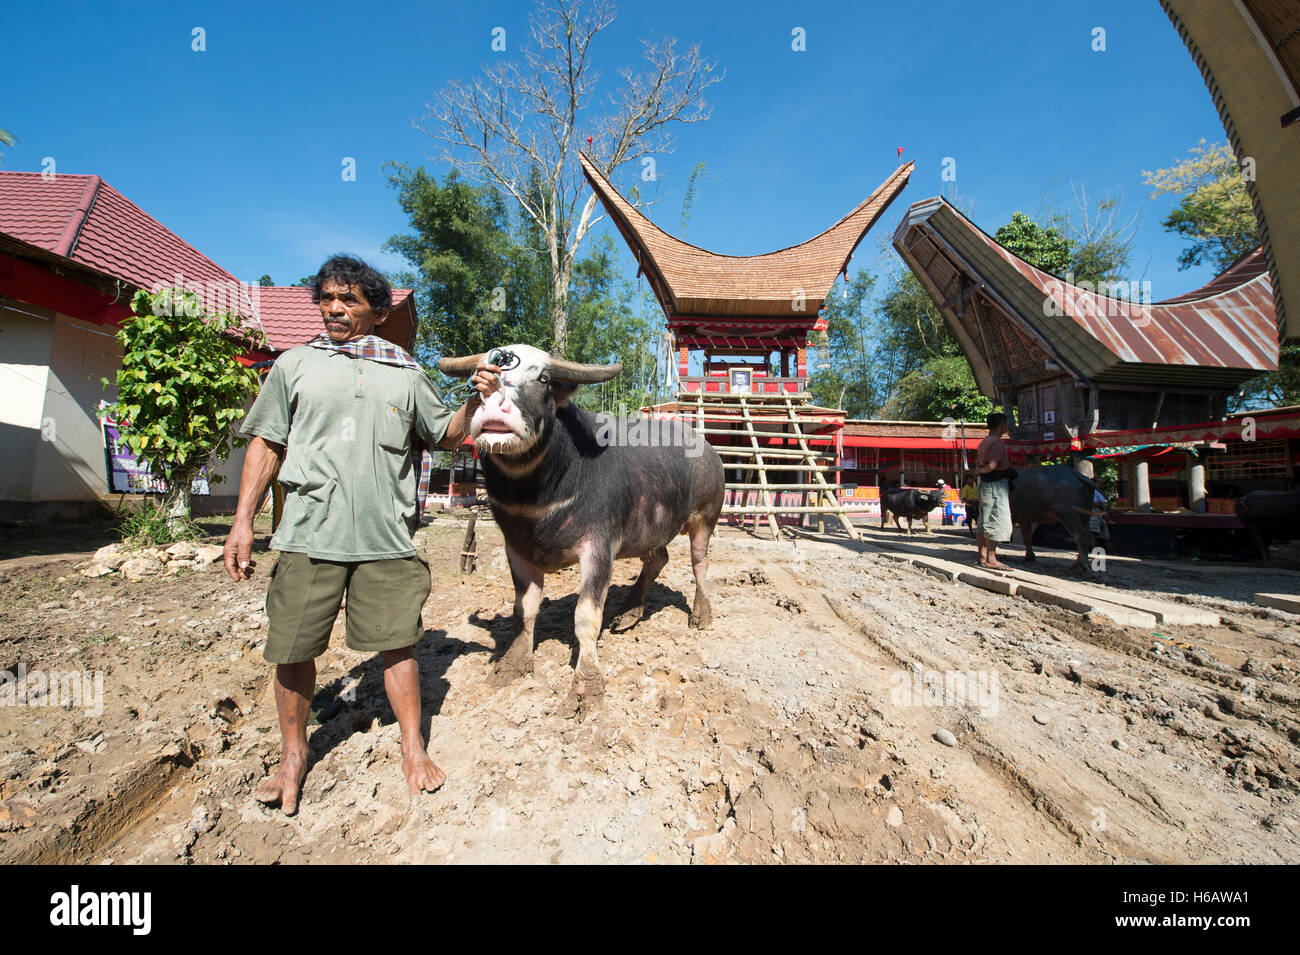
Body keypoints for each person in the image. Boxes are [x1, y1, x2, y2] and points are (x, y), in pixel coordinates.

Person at [222, 255, 501, 815]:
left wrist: (475, 398)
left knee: (397, 643)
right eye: (326, 298)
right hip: (307, 533)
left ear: (376, 311)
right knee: (293, 648)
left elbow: (444, 434)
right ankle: (292, 757)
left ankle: (413, 747)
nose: (334, 308)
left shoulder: (405, 371)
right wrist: (242, 520)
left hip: (385, 536)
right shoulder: (295, 365)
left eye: (348, 300)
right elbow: (267, 443)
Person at [975, 412, 1013, 569]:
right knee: (995, 519)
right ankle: (992, 558)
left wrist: (978, 472)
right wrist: (981, 471)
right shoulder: (997, 442)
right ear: (1002, 425)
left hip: (984, 486)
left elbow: (979, 464)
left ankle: (982, 555)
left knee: (984, 520)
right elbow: (992, 466)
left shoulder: (984, 442)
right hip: (995, 485)